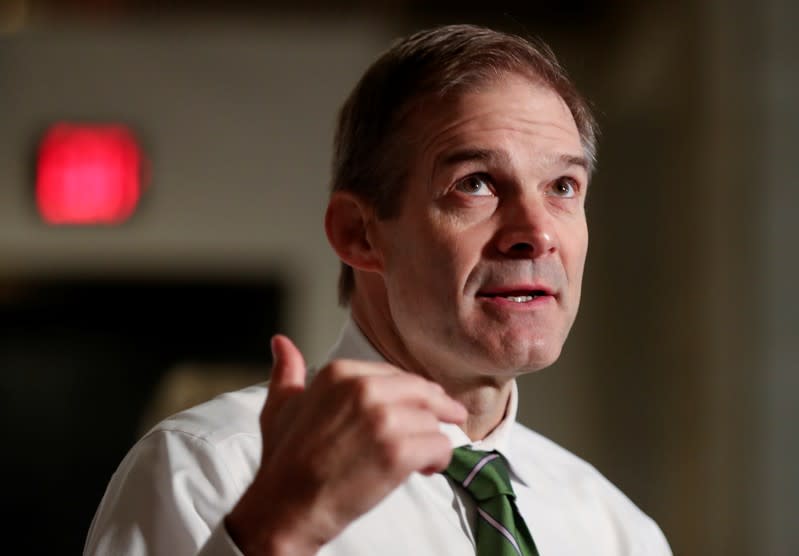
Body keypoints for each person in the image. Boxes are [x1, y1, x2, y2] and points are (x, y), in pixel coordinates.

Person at [85, 24, 672, 556]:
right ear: (358, 233)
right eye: (475, 183)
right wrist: (276, 534)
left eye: (563, 187)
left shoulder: (618, 531)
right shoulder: (210, 469)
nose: (537, 232)